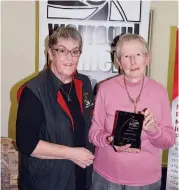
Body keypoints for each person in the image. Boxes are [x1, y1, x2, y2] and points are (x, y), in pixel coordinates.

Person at [89, 33, 176, 190]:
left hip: (146, 180)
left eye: (138, 55)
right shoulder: (105, 89)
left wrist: (153, 131)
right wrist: (109, 139)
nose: (133, 61)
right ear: (119, 62)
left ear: (147, 58)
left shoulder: (159, 92)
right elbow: (93, 134)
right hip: (106, 177)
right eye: (127, 56)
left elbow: (169, 140)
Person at [16, 26, 94, 190]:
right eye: (62, 50)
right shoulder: (33, 91)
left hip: (80, 176)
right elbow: (26, 144)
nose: (69, 57)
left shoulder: (84, 83)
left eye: (75, 51)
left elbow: (89, 123)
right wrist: (72, 153)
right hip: (47, 182)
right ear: (51, 53)